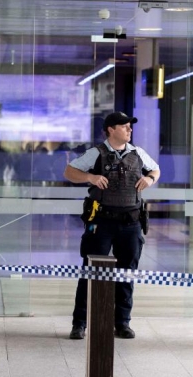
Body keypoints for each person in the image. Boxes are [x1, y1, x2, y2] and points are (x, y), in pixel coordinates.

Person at [65, 111, 160, 340]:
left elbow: (155, 169)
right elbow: (69, 172)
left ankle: (122, 323)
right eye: (124, 126)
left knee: (126, 274)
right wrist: (90, 178)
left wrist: (149, 178)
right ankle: (80, 323)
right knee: (90, 272)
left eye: (130, 126)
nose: (129, 130)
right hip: (102, 223)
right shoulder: (96, 153)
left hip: (130, 223)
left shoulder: (138, 153)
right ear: (111, 129)